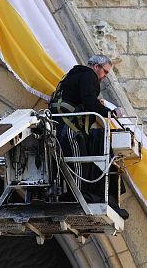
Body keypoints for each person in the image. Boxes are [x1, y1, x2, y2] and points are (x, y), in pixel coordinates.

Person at [49, 55, 128, 220]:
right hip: (69, 129)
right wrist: (111, 112)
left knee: (69, 162)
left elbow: (82, 99)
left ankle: (72, 194)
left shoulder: (73, 75)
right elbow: (89, 102)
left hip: (58, 126)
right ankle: (78, 198)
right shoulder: (89, 75)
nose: (105, 76)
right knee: (78, 163)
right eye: (105, 72)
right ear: (96, 66)